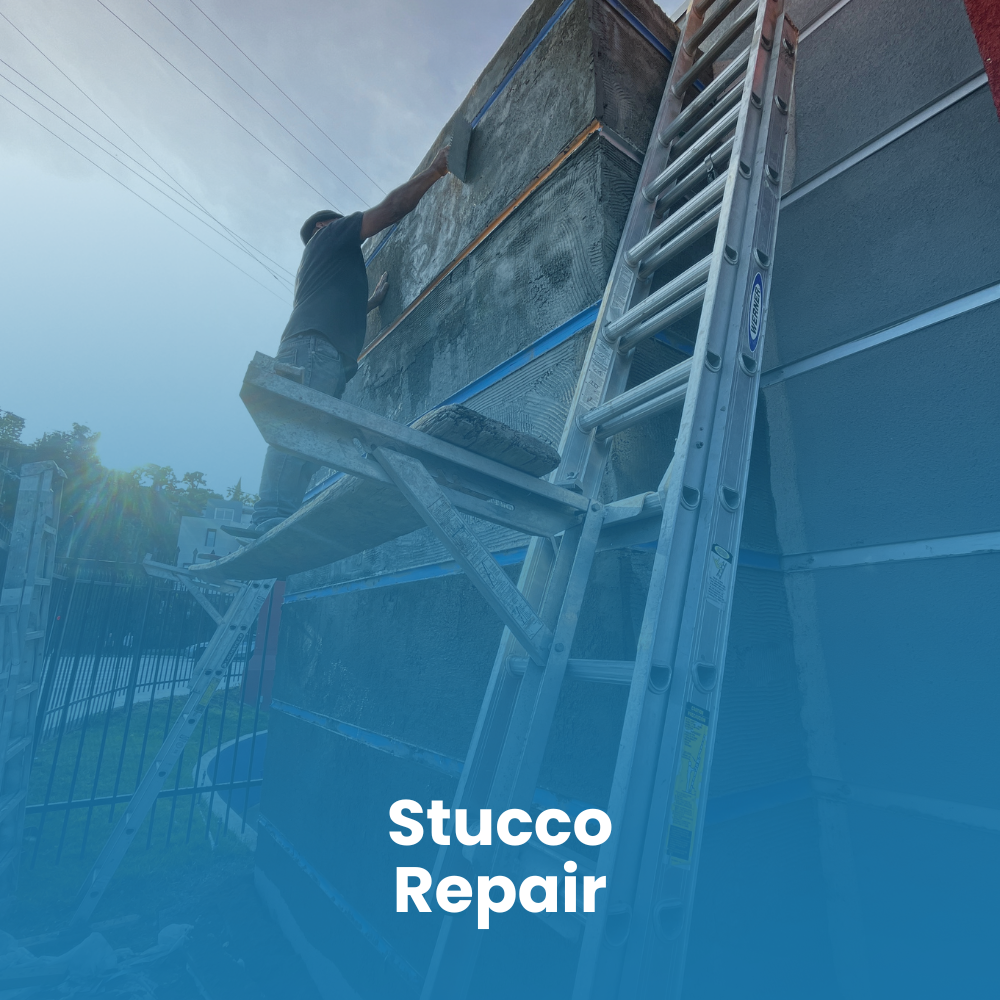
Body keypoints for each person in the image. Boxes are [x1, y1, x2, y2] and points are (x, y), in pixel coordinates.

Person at [246, 145, 450, 536]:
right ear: (324, 226)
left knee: (309, 438)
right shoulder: (330, 237)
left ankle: (278, 515)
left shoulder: (322, 264)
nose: (349, 226)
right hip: (314, 349)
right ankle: (269, 513)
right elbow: (392, 209)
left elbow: (335, 302)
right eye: (341, 221)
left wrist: (370, 302)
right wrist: (435, 170)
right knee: (298, 426)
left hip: (318, 351)